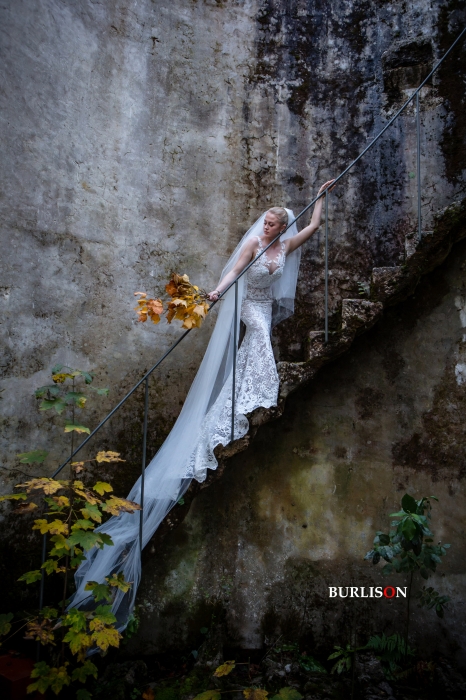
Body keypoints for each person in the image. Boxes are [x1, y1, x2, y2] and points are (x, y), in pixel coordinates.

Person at [69, 180, 335, 633]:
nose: (268, 227)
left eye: (273, 223)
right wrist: (213, 293)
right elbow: (234, 273)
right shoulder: (253, 243)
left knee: (262, 342)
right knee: (262, 347)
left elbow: (314, 224)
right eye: (266, 221)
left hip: (265, 308)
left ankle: (250, 396)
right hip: (248, 305)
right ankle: (257, 395)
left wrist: (323, 195)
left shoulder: (287, 243)